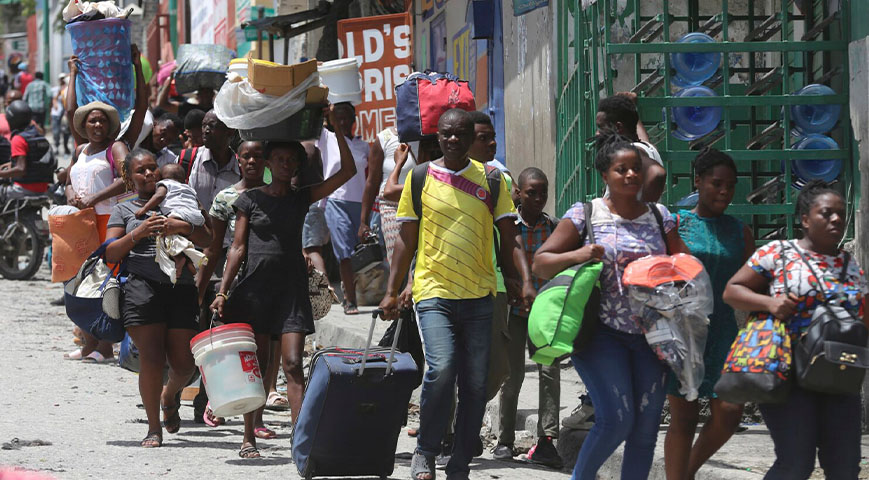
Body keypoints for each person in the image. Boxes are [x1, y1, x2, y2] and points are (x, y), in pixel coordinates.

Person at [379, 108, 535, 480]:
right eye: (446, 134)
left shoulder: (492, 179)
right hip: (433, 292)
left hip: (481, 295)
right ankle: (426, 451)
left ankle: (461, 459)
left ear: (471, 138)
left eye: (460, 134)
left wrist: (525, 279)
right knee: (441, 369)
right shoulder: (420, 178)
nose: (452, 140)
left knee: (476, 383)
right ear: (438, 136)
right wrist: (392, 290)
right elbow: (405, 240)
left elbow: (510, 237)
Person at [533, 130, 687, 480]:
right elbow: (541, 263)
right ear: (605, 175)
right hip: (601, 334)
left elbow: (686, 267)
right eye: (622, 169)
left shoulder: (660, 216)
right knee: (616, 419)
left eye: (636, 168)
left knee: (646, 428)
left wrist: (669, 272)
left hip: (653, 335)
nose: (631, 175)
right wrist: (582, 253)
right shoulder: (586, 214)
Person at [211, 110, 358, 459]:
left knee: (292, 363)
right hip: (255, 290)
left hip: (291, 290)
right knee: (258, 365)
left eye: (291, 160)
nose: (284, 165)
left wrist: (337, 129)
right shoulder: (250, 199)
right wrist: (222, 292)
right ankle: (249, 436)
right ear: (268, 162)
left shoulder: (300, 197)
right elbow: (238, 247)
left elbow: (348, 172)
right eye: (278, 159)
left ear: (296, 166)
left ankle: (301, 439)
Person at [723, 181, 866, 480]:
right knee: (795, 464)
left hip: (840, 376)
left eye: (840, 214)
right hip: (788, 374)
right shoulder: (779, 253)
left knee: (845, 468)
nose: (836, 220)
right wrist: (770, 303)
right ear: (805, 219)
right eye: (827, 213)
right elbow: (732, 291)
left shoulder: (851, 265)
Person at [105, 148, 213, 448]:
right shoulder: (123, 210)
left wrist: (183, 227)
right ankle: (154, 428)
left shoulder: (181, 198)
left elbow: (207, 239)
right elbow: (110, 254)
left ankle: (169, 395)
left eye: (153, 168)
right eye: (141, 170)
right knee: (151, 359)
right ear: (129, 177)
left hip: (181, 288)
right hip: (142, 288)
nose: (149, 174)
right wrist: (137, 233)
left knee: (184, 365)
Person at [663, 148, 754, 480]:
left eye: (730, 185)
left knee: (730, 412)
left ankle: (686, 473)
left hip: (725, 334)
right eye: (716, 183)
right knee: (684, 418)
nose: (724, 192)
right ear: (697, 182)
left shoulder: (740, 231)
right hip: (683, 332)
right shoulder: (676, 224)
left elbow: (750, 282)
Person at [61, 47, 147, 363]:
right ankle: (89, 341)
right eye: (91, 120)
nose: (96, 125)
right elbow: (69, 177)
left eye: (101, 121)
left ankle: (106, 346)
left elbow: (127, 179)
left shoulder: (117, 147)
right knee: (82, 282)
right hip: (81, 222)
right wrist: (71, 193)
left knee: (107, 283)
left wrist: (137, 67)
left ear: (108, 125)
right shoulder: (81, 150)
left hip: (109, 219)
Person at [492, 167, 563, 469]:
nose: (538, 198)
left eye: (543, 192)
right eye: (531, 192)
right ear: (518, 193)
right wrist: (512, 284)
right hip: (516, 312)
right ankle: (505, 440)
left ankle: (547, 440)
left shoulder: (555, 228)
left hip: (546, 314)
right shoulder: (508, 227)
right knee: (512, 375)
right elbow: (499, 260)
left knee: (549, 372)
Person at [317, 102, 369, 314]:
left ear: (354, 119)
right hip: (336, 201)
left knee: (362, 254)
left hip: (360, 204)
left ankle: (355, 291)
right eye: (338, 117)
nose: (343, 121)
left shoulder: (364, 145)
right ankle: (350, 299)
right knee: (344, 253)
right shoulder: (326, 138)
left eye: (347, 117)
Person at [134, 163, 206, 283]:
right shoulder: (189, 188)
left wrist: (144, 209)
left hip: (178, 214)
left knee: (166, 231)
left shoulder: (165, 184)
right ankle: (189, 263)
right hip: (196, 217)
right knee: (181, 238)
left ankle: (179, 259)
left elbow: (159, 196)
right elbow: (200, 207)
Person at [597, 93, 666, 202]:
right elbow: (639, 135)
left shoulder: (633, 151)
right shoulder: (646, 147)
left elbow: (656, 173)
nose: (597, 133)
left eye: (601, 127)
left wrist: (639, 213)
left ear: (618, 127)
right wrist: (630, 106)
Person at [360, 126, 419, 252]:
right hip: (392, 207)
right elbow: (371, 182)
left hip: (421, 204)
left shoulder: (429, 137)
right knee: (398, 262)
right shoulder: (384, 138)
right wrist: (363, 222)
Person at [0, 101, 53, 201]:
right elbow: (33, 162)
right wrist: (8, 165)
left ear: (11, 119)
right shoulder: (38, 136)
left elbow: (21, 169)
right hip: (43, 187)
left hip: (23, 189)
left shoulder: (18, 139)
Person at [50, 75, 71, 155]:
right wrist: (55, 104)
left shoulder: (68, 88)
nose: (62, 80)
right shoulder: (59, 89)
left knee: (66, 132)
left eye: (63, 79)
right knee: (56, 132)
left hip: (65, 114)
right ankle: (57, 147)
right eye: (61, 79)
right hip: (58, 114)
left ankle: (66, 147)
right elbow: (54, 98)